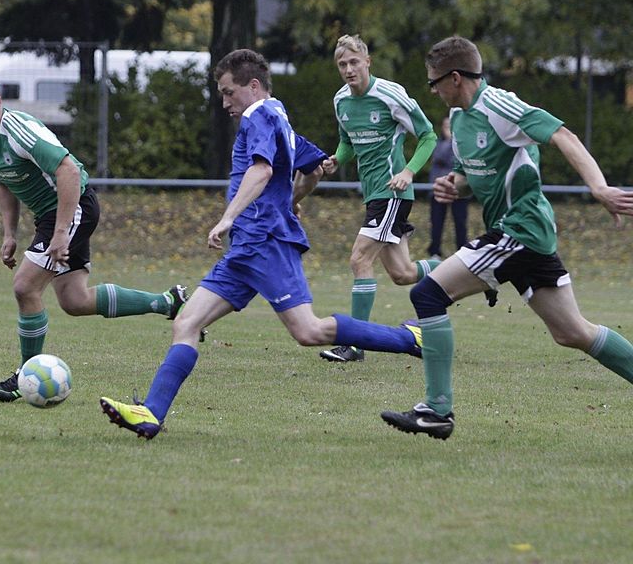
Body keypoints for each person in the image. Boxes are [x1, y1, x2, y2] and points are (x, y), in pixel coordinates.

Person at [99, 49, 424, 440]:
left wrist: (229, 216)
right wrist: (293, 199)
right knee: (186, 322)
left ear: (253, 86)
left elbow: (262, 169)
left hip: (265, 241)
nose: (225, 103)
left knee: (309, 331)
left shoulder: (258, 116)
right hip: (246, 248)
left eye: (228, 92)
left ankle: (409, 338)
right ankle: (151, 413)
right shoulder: (278, 115)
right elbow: (313, 167)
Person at [381, 35, 633, 440]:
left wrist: (599, 189)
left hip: (520, 230)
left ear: (455, 78)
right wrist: (454, 186)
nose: (432, 91)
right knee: (572, 333)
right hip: (522, 237)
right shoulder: (460, 120)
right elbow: (473, 177)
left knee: (426, 294)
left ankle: (437, 411)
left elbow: (564, 136)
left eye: (434, 82)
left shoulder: (499, 105)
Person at [0, 72, 187, 402]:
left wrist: (62, 232)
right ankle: (167, 302)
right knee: (74, 301)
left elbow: (68, 170)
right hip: (50, 217)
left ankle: (26, 375)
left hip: (72, 207)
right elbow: (3, 182)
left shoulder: (19, 130)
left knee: (25, 286)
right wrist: (9, 233)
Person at [319, 34, 439, 363]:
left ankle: (355, 343)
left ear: (368, 62)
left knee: (359, 259)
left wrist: (409, 172)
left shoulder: (390, 94)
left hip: (392, 192)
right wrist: (336, 159)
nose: (348, 69)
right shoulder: (341, 100)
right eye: (342, 64)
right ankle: (467, 270)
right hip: (373, 194)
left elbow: (428, 135)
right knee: (402, 273)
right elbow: (348, 143)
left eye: (354, 62)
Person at [427, 116, 468, 260]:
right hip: (439, 188)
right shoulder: (437, 143)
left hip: (459, 189)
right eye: (446, 126)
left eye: (451, 126)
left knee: (460, 222)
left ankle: (462, 251)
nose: (448, 129)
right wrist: (450, 141)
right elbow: (440, 157)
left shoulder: (464, 142)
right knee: (437, 222)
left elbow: (457, 160)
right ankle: (435, 251)